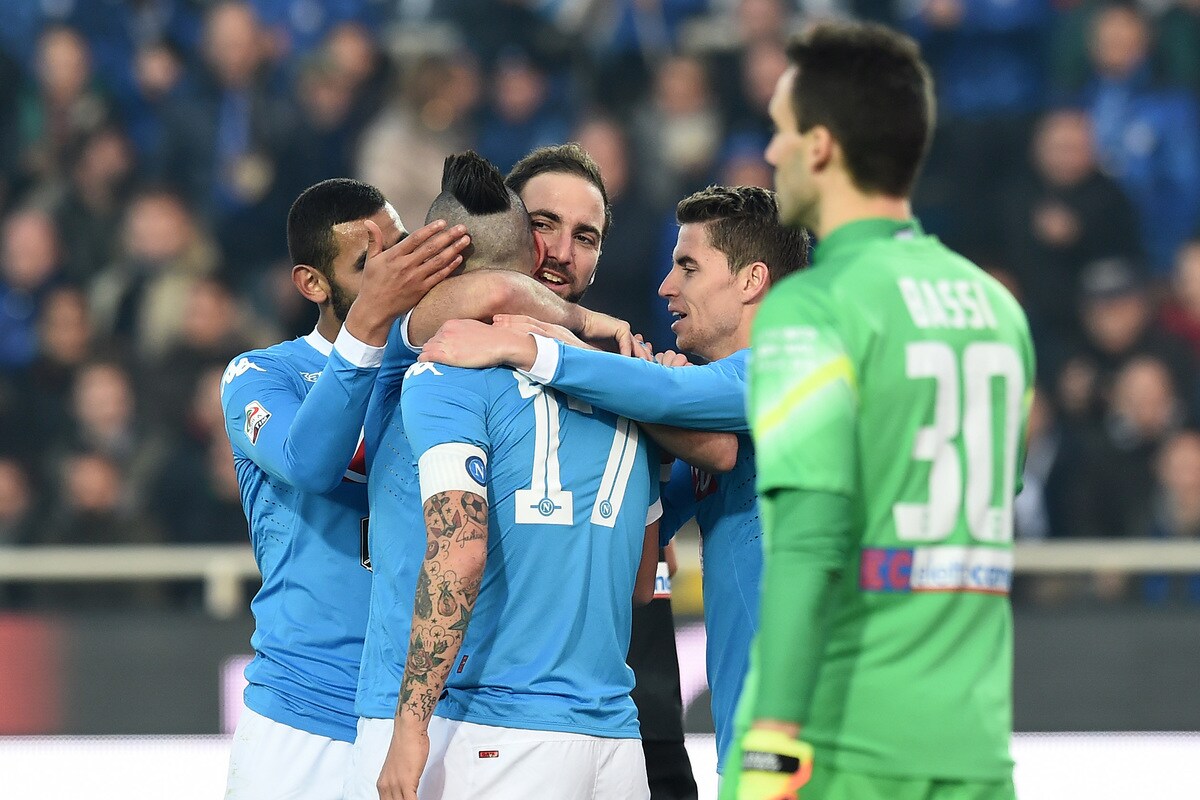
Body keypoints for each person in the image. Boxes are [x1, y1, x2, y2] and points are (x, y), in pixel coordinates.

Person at [722, 22, 1035, 800]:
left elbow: (809, 545)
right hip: (972, 752)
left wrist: (769, 750)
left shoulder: (814, 310)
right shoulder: (999, 312)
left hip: (840, 749)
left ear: (821, 147)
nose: (770, 150)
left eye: (781, 130)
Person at [421, 185, 809, 775]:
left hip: (818, 729)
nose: (666, 287)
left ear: (752, 280)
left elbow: (674, 393)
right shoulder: (738, 414)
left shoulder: (800, 361)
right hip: (757, 736)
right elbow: (647, 515)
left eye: (688, 267)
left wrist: (537, 347)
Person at [349, 146, 690, 799]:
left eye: (585, 236)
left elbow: (459, 549)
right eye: (542, 226)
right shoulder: (629, 385)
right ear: (508, 228)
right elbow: (643, 580)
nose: (559, 252)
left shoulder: (445, 369)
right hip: (610, 738)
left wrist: (410, 727)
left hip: (476, 723)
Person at [218, 178, 470, 800]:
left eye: (401, 248)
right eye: (367, 265)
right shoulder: (262, 374)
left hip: (420, 713)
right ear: (313, 284)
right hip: (299, 716)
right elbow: (309, 463)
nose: (394, 273)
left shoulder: (448, 371)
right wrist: (369, 326)